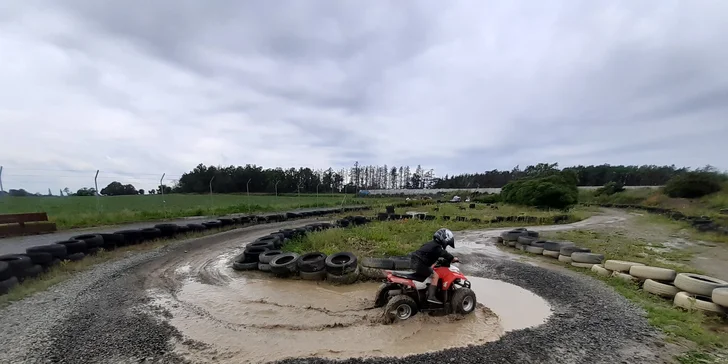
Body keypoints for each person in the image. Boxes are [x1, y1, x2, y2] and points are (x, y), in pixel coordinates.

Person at [410, 228, 459, 305]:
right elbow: (444, 253)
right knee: (435, 276)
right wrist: (453, 258)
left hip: (415, 262)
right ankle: (431, 296)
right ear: (444, 239)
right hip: (420, 264)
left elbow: (428, 255)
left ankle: (425, 291)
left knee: (430, 271)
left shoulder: (430, 244)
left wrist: (435, 263)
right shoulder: (437, 247)